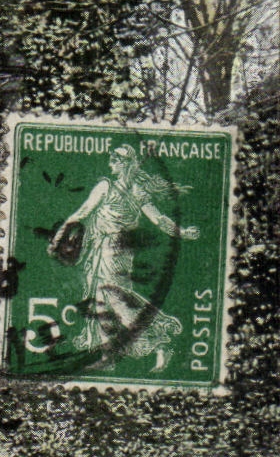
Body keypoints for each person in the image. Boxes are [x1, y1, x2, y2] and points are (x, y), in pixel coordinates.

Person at [49, 144, 198, 372]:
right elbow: (159, 220)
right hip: (110, 248)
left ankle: (159, 341)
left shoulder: (108, 187)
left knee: (115, 300)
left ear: (123, 163)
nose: (110, 164)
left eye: (114, 160)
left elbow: (81, 214)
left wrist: (59, 237)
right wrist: (182, 231)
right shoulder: (133, 190)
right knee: (104, 299)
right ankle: (107, 355)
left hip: (112, 248)